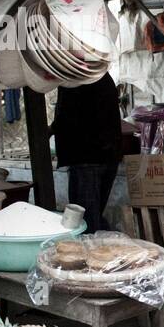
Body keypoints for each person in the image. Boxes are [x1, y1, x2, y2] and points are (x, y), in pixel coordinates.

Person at [53, 74, 123, 234]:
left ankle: (91, 253)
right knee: (92, 216)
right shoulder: (100, 76)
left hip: (88, 157)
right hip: (104, 155)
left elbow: (68, 115)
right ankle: (97, 248)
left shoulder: (75, 79)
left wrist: (52, 129)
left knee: (85, 220)